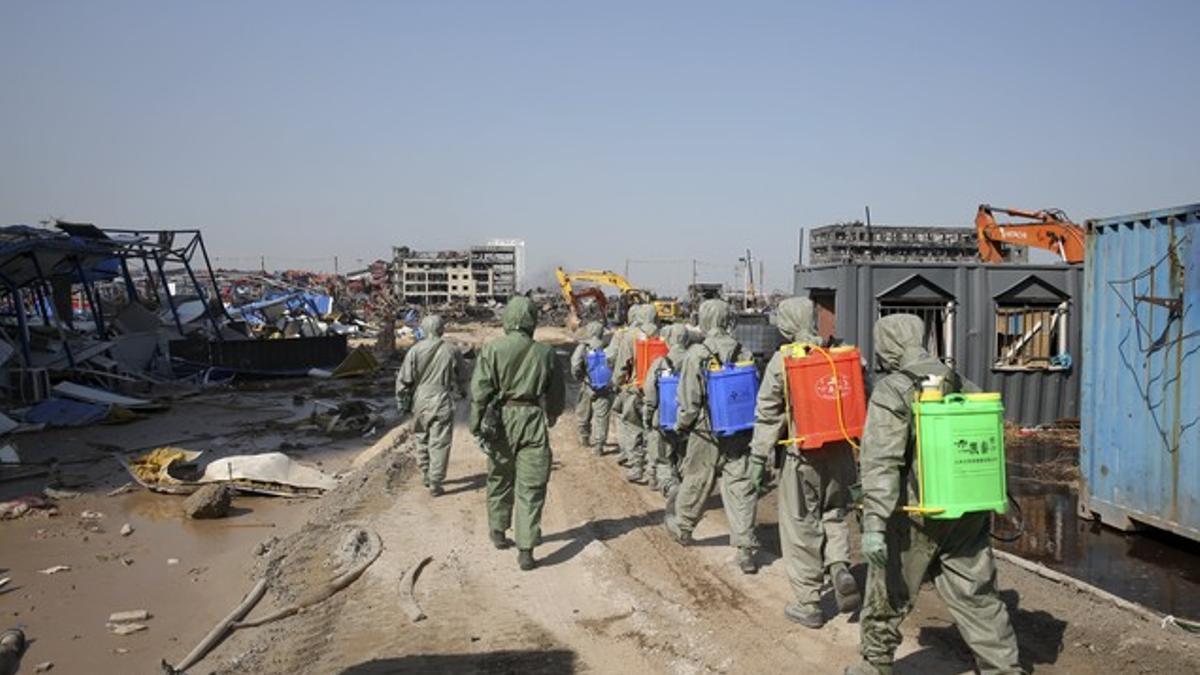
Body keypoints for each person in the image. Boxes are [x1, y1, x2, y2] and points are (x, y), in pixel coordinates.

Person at [846, 314, 1022, 675]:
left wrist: (875, 524)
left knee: (888, 592)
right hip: (965, 509)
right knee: (977, 595)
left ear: (890, 345)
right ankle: (1004, 668)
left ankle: (875, 665)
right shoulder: (964, 382)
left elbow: (882, 461)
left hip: (914, 513)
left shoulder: (893, 389)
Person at [750, 297, 860, 627]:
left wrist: (759, 457)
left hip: (804, 454)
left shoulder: (784, 360)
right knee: (834, 513)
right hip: (841, 451)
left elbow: (768, 412)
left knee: (800, 526)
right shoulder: (839, 353)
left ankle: (809, 602)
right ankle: (839, 566)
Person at [470, 296, 566, 571]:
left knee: (499, 475)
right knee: (531, 485)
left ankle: (498, 530)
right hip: (533, 419)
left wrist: (477, 425)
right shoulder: (546, 353)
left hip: (501, 419)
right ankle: (526, 549)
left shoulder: (492, 349)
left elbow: (479, 392)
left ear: (507, 319)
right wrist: (552, 414)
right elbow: (556, 393)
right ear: (532, 320)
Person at [664, 299, 760, 574]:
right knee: (740, 486)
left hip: (706, 430)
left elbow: (689, 400)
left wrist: (682, 426)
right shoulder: (745, 351)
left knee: (697, 477)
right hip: (740, 428)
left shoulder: (698, 353)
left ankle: (683, 527)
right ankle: (745, 548)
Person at [396, 314, 467, 496]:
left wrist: (401, 402)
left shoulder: (414, 350)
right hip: (442, 396)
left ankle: (426, 473)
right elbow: (462, 377)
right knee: (440, 441)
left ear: (424, 329)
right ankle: (436, 480)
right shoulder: (452, 350)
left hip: (420, 399)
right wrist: (462, 392)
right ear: (441, 329)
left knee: (421, 436)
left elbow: (403, 380)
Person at [610, 304, 658, 483]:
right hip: (659, 391)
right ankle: (654, 473)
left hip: (635, 389)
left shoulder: (630, 336)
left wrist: (616, 383)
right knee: (653, 432)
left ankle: (637, 467)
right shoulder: (664, 335)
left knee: (634, 429)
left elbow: (622, 365)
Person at [642, 322, 691, 495]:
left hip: (664, 418)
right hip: (689, 420)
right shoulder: (696, 361)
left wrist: (648, 416)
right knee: (684, 455)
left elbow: (650, 392)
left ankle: (670, 487)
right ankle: (684, 485)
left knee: (663, 457)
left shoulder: (660, 363)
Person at [570, 321, 613, 455]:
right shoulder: (608, 347)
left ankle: (584, 438)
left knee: (584, 413)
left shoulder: (584, 347)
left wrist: (580, 377)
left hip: (588, 385)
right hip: (604, 388)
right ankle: (599, 445)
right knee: (602, 417)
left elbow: (575, 364)